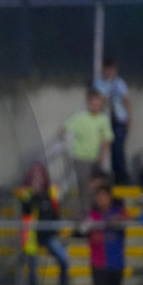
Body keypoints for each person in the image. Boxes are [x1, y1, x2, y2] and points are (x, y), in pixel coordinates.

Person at [14, 162, 70, 285]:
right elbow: (25, 207)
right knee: (32, 267)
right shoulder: (27, 195)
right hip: (32, 237)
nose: (37, 179)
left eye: (40, 176)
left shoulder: (50, 195)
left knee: (64, 260)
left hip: (48, 236)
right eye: (34, 176)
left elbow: (56, 215)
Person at [59, 88, 113, 216]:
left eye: (98, 103)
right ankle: (86, 213)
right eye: (93, 103)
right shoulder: (79, 117)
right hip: (81, 157)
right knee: (84, 186)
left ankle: (100, 211)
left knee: (100, 186)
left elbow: (107, 138)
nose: (95, 106)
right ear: (88, 103)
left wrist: (103, 153)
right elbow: (64, 129)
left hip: (96, 159)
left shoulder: (103, 119)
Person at [84, 182, 129, 285]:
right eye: (99, 196)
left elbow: (128, 220)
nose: (101, 199)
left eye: (104, 196)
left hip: (115, 260)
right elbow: (80, 228)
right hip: (98, 260)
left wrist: (116, 221)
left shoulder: (118, 212)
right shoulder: (92, 215)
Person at [94, 56, 132, 185]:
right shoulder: (98, 83)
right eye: (106, 69)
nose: (108, 72)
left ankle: (121, 176)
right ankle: (100, 177)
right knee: (101, 149)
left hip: (119, 119)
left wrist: (129, 118)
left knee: (118, 148)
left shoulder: (119, 83)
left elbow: (126, 101)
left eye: (110, 69)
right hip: (104, 120)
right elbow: (99, 99)